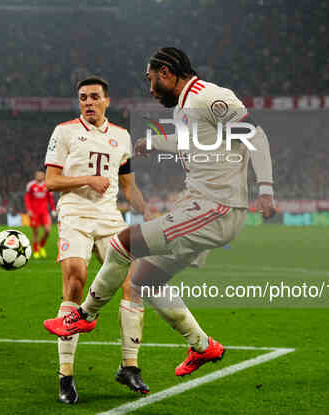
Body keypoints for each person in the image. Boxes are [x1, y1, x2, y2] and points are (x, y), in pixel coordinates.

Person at [44, 48, 276, 377]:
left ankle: (85, 314)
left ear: (166, 73)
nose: (150, 89)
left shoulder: (209, 97)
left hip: (217, 207)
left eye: (151, 81)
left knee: (124, 242)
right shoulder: (185, 108)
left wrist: (265, 188)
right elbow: (195, 142)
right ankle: (202, 346)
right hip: (199, 205)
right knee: (144, 280)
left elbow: (256, 135)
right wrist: (155, 142)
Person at [44, 76, 153, 403]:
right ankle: (66, 375)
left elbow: (128, 185)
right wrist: (87, 179)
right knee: (76, 281)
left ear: (107, 100)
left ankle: (129, 366)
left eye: (94, 97)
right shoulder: (64, 131)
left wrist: (149, 214)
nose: (88, 102)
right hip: (74, 213)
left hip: (109, 217)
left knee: (133, 283)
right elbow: (51, 180)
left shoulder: (121, 136)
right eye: (82, 98)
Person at [24, 170, 56, 259]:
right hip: (34, 213)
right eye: (37, 174)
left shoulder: (47, 185)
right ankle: (35, 250)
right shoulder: (31, 185)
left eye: (41, 174)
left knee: (47, 231)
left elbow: (50, 198)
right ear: (35, 175)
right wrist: (29, 210)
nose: (39, 176)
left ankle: (41, 246)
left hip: (44, 212)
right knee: (36, 232)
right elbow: (27, 198)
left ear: (44, 175)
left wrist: (53, 209)